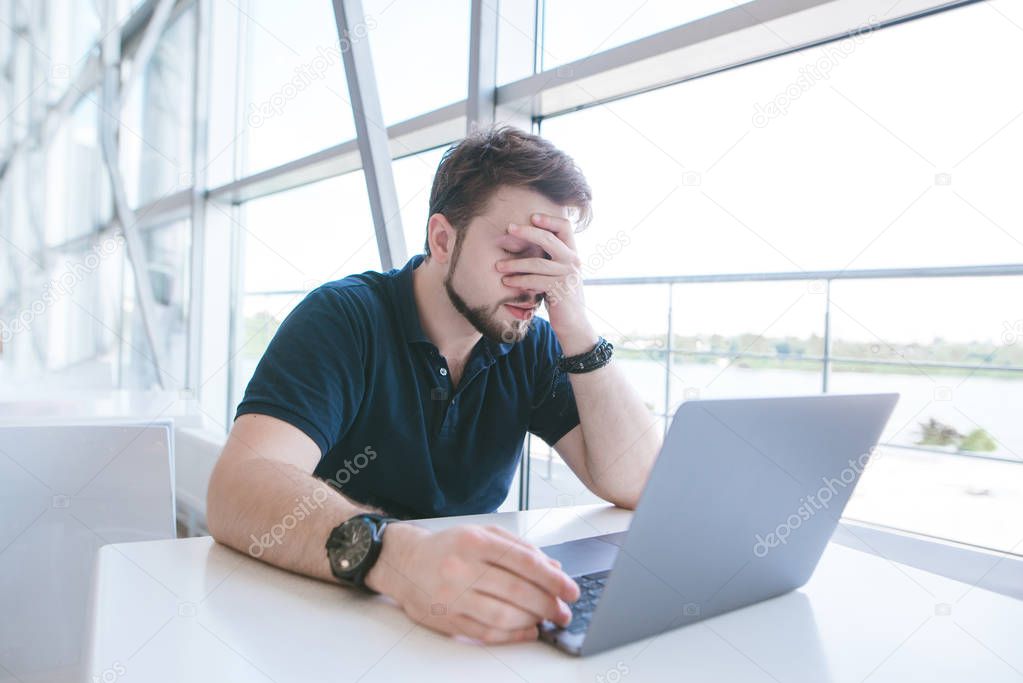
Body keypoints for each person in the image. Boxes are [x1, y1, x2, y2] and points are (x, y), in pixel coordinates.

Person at [207, 126, 661, 644]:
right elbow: (236, 488)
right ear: (443, 239)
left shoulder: (531, 342)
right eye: (519, 251)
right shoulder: (344, 318)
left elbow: (638, 481)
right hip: (323, 618)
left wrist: (576, 325)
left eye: (552, 256)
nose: (537, 280)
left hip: (458, 632)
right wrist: (400, 557)